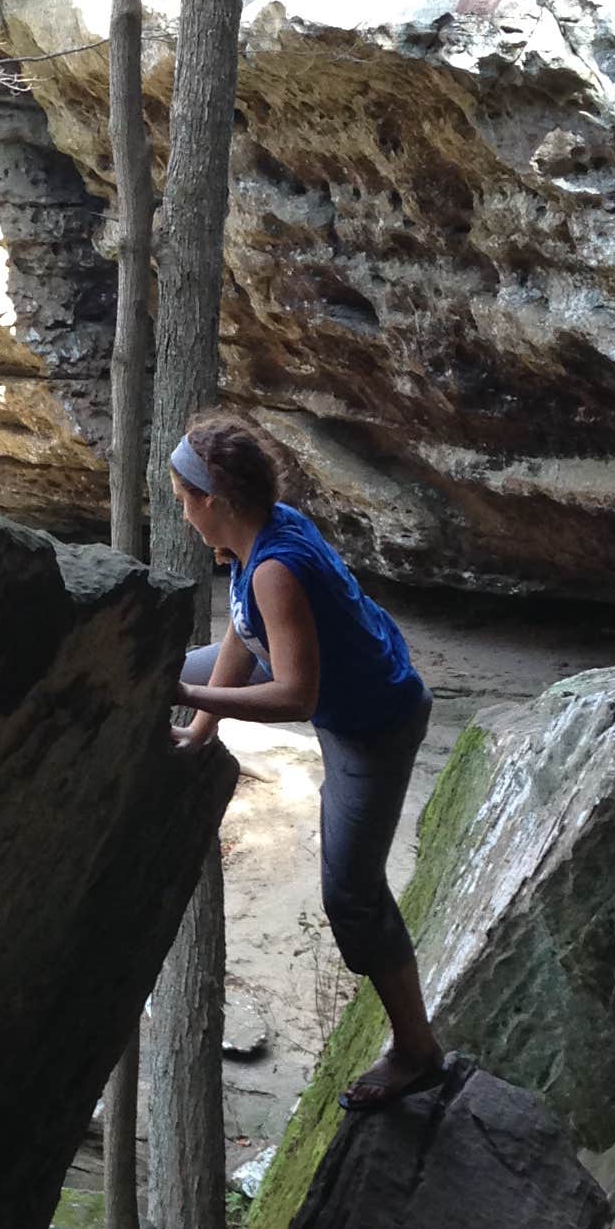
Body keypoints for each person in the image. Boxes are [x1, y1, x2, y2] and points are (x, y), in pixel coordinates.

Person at [168, 413, 447, 1115]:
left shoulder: (278, 569)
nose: (180, 509)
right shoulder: (260, 534)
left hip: (372, 727)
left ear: (216, 500)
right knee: (149, 661)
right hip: (345, 689)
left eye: (183, 496)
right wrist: (200, 726)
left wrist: (188, 694)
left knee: (350, 895)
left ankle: (417, 1053)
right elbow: (241, 627)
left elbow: (297, 694)